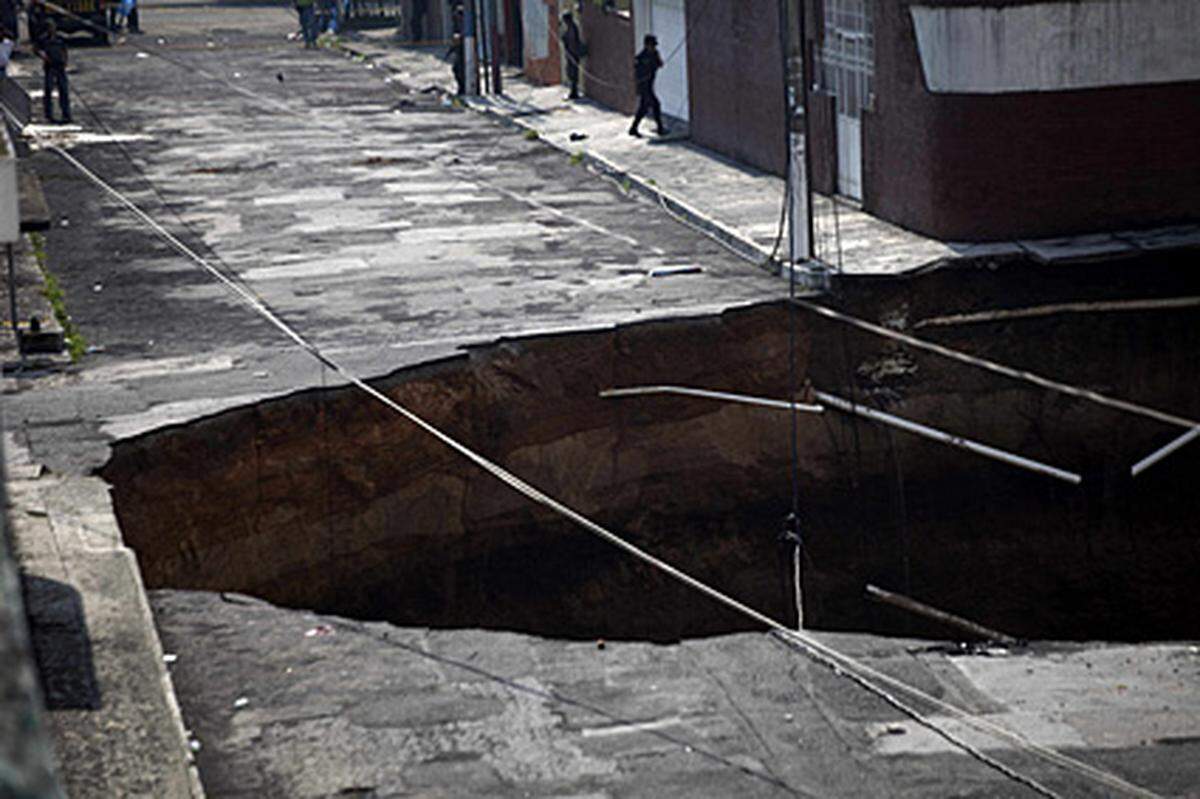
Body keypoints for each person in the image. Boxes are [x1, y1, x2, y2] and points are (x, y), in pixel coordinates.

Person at [629, 33, 665, 137]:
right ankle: (660, 128)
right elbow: (637, 73)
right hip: (643, 86)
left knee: (644, 108)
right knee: (655, 105)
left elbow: (660, 64)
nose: (653, 47)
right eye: (652, 45)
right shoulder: (641, 57)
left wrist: (657, 63)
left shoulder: (654, 54)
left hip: (650, 85)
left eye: (654, 45)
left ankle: (633, 128)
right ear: (646, 45)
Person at [38, 20, 70, 124]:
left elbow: (65, 50)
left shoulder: (60, 38)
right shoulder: (43, 39)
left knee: (63, 90)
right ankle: (49, 114)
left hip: (60, 65)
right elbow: (36, 49)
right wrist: (44, 57)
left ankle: (66, 114)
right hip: (50, 66)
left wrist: (65, 60)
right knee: (48, 90)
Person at [560, 11, 585, 100]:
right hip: (570, 53)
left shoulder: (573, 28)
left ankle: (574, 92)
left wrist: (565, 40)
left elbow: (573, 41)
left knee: (573, 73)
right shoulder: (570, 27)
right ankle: (572, 91)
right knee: (570, 72)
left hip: (573, 54)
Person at [447, 31, 464, 95]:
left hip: (461, 64)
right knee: (455, 71)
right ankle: (460, 87)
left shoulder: (462, 46)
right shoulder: (455, 46)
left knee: (459, 74)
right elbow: (450, 51)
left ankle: (461, 88)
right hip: (457, 63)